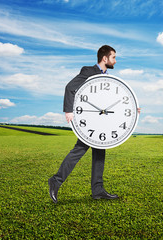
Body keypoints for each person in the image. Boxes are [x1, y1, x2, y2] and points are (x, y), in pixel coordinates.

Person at [48, 45, 118, 203]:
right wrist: (68, 110)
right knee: (79, 150)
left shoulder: (108, 79)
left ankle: (98, 190)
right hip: (88, 122)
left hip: (101, 122)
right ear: (105, 58)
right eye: (113, 57)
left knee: (100, 153)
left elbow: (109, 101)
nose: (115, 61)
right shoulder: (88, 71)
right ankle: (56, 180)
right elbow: (70, 87)